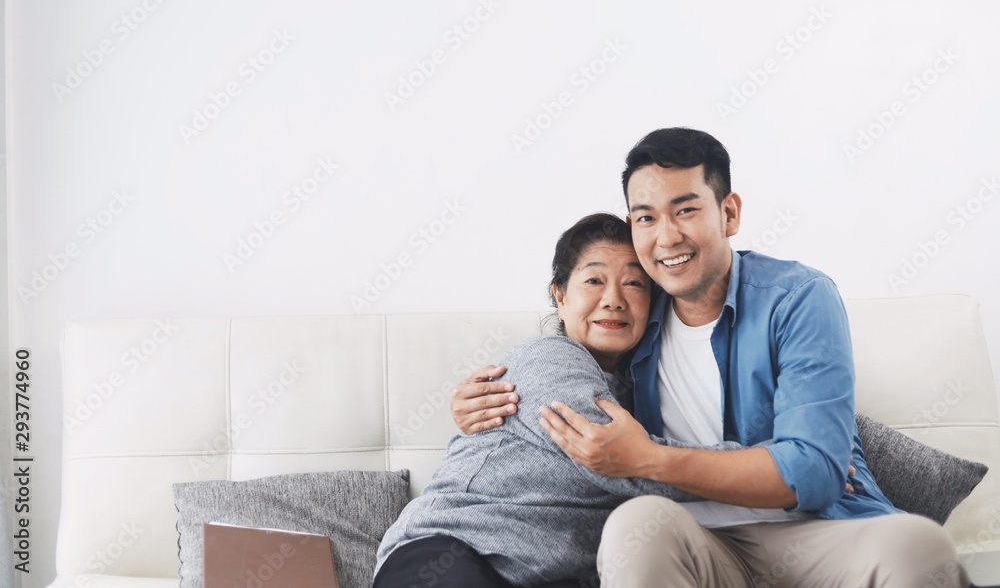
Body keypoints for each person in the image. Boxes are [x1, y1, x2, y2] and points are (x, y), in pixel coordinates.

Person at [452, 128, 968, 587]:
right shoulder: (633, 318)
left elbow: (814, 475)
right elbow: (571, 367)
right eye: (646, 217)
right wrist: (481, 405)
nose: (667, 236)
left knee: (916, 547)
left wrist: (649, 459)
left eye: (686, 210)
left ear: (729, 212)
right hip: (694, 542)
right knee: (633, 527)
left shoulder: (797, 297)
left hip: (819, 534)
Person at [373, 213, 746, 588]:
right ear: (561, 295)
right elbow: (610, 458)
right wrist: (762, 468)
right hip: (452, 551)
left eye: (634, 283)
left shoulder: (647, 391)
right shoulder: (548, 356)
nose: (614, 300)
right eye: (594, 281)